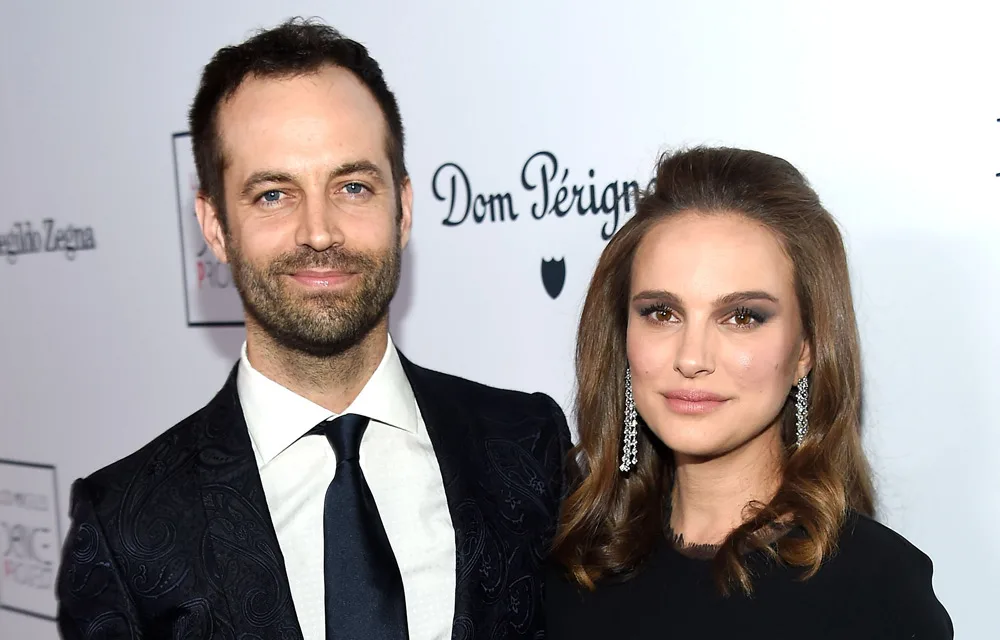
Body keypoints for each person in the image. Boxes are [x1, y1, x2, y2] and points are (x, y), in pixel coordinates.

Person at [55, 18, 570, 640]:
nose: (319, 231)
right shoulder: (124, 524)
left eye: (353, 186)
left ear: (403, 208)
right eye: (273, 194)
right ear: (215, 227)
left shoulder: (527, 442)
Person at [545, 146, 953, 639]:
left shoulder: (875, 589)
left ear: (806, 348)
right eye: (661, 313)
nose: (691, 358)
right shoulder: (572, 568)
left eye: (742, 317)